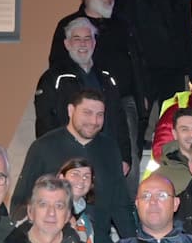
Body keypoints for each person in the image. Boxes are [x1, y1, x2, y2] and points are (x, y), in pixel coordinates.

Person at [47, 0, 145, 172]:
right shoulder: (69, 25)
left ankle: (124, 193)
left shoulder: (123, 24)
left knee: (129, 158)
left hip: (123, 101)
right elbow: (57, 66)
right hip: (81, 104)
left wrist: (142, 95)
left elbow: (137, 62)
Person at [13, 88, 134, 237]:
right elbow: (20, 203)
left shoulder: (110, 148)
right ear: (71, 110)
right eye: (87, 113)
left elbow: (121, 203)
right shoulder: (43, 147)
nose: (94, 121)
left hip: (100, 242)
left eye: (100, 115)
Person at [35, 15, 133, 161]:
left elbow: (119, 121)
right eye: (77, 39)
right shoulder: (53, 79)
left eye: (87, 38)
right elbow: (45, 122)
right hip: (69, 159)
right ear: (67, 44)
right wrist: (54, 158)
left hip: (105, 156)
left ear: (94, 43)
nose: (83, 44)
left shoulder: (106, 77)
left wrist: (125, 157)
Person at [57, 156, 112, 243]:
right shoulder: (50, 210)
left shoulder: (93, 216)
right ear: (61, 177)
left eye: (86, 176)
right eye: (75, 174)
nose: (81, 180)